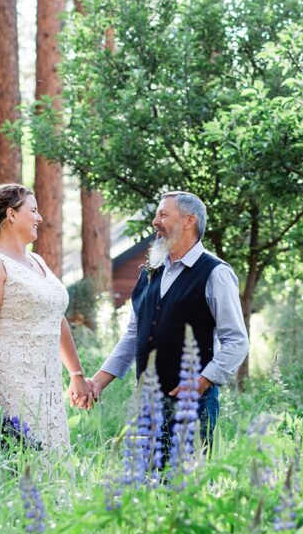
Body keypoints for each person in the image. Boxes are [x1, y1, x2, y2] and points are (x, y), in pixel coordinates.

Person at [83, 191, 249, 451]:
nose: (155, 222)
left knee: (186, 483)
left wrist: (202, 382)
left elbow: (237, 341)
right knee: (146, 482)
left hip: (192, 405)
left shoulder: (215, 273)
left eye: (163, 214)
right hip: (146, 401)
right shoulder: (150, 273)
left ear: (189, 220)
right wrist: (97, 383)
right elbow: (132, 336)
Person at [0, 183, 94, 457]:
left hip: (44, 378)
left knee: (51, 459)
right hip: (8, 377)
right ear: (11, 215)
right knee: (15, 459)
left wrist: (76, 375)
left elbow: (56, 319)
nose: (40, 218)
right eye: (33, 211)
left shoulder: (37, 261)